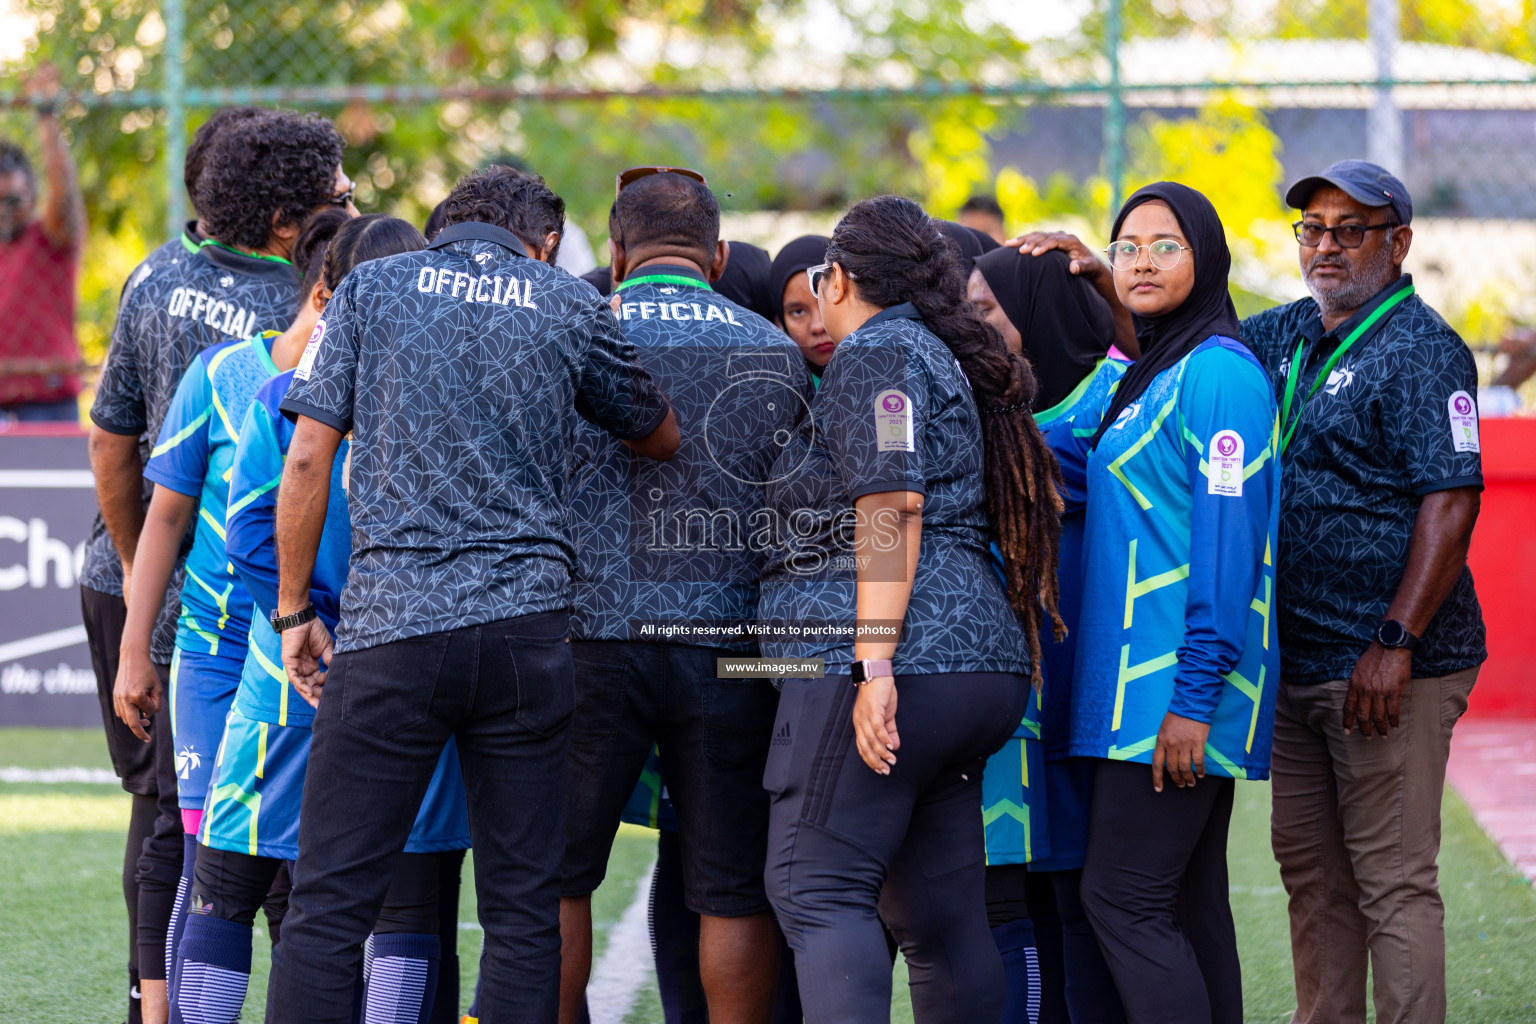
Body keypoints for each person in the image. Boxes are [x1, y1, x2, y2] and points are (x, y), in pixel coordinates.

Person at [265, 165, 678, 1024]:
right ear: (548, 242)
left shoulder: (372, 287)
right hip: (528, 638)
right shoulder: (566, 303)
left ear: (442, 221)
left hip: (391, 632)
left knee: (330, 903)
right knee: (523, 910)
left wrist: (297, 608)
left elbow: (307, 459)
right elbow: (658, 433)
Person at [759, 195, 1063, 1024]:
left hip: (902, 661)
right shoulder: (939, 354)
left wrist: (875, 661)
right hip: (975, 662)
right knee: (937, 913)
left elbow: (892, 504)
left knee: (814, 889)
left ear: (839, 278)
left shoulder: (876, 354)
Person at [89, 107, 349, 1024]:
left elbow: (111, 446)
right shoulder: (320, 297)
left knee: (172, 824)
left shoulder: (155, 273)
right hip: (238, 610)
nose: (349, 210)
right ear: (291, 221)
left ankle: (155, 1007)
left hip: (159, 586)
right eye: (336, 197)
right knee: (245, 849)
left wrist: (133, 599)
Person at [179, 213, 470, 1024]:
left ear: (327, 294)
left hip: (289, 669)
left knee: (226, 889)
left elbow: (245, 536)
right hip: (409, 659)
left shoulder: (282, 397)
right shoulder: (455, 403)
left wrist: (301, 613)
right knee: (406, 898)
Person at [559, 168, 807, 1024]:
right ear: (720, 254)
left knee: (560, 875)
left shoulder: (577, 327)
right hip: (731, 645)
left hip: (589, 640)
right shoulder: (775, 350)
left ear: (618, 253)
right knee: (731, 884)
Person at [1240, 162, 1485, 1024]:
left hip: (1389, 670)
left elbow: (1452, 501)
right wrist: (1094, 271)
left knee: (1392, 883)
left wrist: (1394, 640)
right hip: (1298, 664)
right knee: (1312, 877)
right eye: (1312, 228)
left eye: (1352, 228)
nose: (1327, 245)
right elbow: (1181, 338)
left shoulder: (1425, 350)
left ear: (1400, 242)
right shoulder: (1285, 334)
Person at [1038, 183, 1278, 1024]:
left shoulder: (1220, 376)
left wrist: (1194, 699)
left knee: (1122, 899)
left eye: (1164, 244)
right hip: (1136, 694)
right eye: (1127, 245)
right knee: (1186, 901)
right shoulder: (1158, 368)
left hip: (1172, 694)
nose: (1142, 259)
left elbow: (1229, 546)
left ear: (1206, 257)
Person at [969, 245, 1129, 1024]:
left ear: (1034, 314)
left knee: (1078, 892)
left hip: (1077, 672)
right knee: (1014, 890)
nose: (974, 325)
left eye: (987, 310)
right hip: (1009, 678)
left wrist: (1106, 278)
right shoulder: (990, 400)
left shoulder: (1111, 395)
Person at [0, 62, 86, 424]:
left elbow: (65, 198)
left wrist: (47, 117)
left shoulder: (50, 241)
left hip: (47, 403)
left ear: (32, 197)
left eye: (13, 201)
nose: (3, 212)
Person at [767, 235, 832, 387]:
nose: (818, 327)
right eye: (798, 312)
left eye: (827, 302)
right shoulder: (778, 391)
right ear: (780, 321)